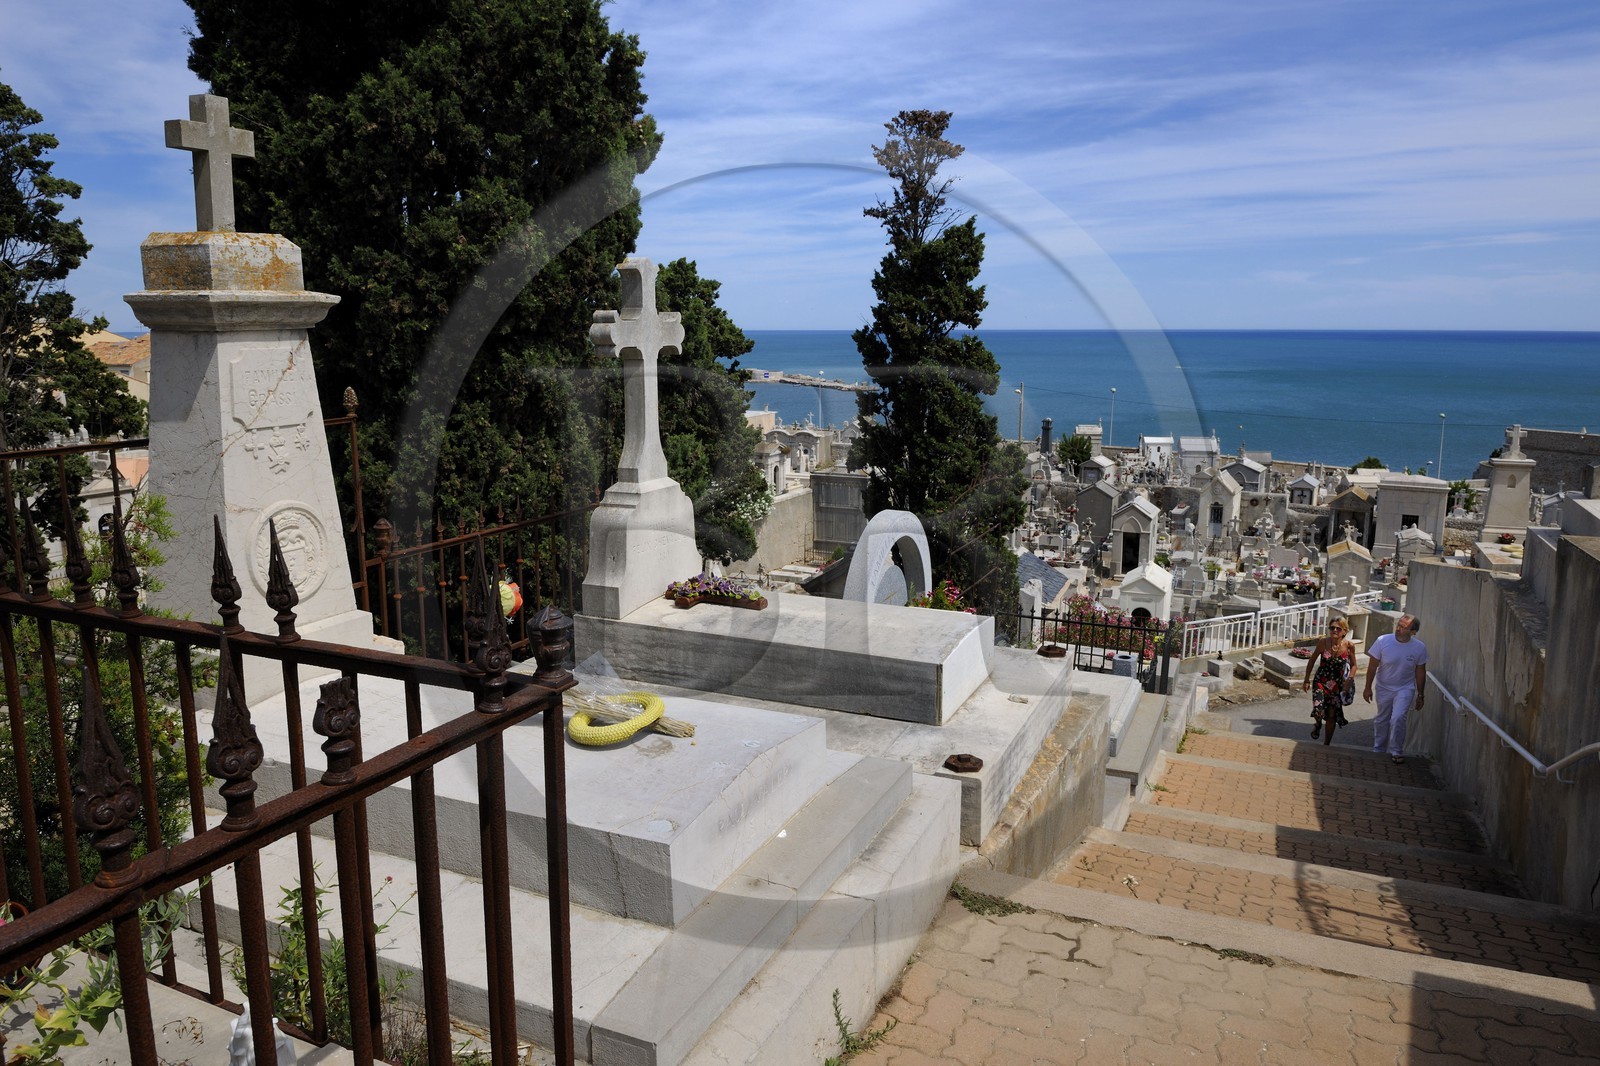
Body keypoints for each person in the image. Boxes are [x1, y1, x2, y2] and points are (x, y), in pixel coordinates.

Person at [1363, 614, 1428, 764]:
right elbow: (1372, 666)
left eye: (1403, 627)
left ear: (1413, 632)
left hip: (1405, 688)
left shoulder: (1419, 648)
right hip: (1383, 687)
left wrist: (1421, 695)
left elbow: (1420, 672)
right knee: (1382, 719)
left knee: (1398, 718)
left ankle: (1396, 751)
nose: (1398, 629)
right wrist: (1367, 688)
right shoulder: (1382, 641)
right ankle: (1378, 749)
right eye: (1398, 625)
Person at [1302, 618, 1355, 744]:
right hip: (1321, 681)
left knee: (1331, 716)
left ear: (1345, 631)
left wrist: (1349, 680)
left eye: (1338, 628)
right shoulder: (1323, 643)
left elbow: (1354, 665)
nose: (1334, 630)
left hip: (1337, 685)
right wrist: (1306, 680)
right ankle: (1318, 724)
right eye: (1332, 628)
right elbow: (1312, 660)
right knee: (1318, 710)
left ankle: (1326, 744)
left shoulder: (1349, 646)